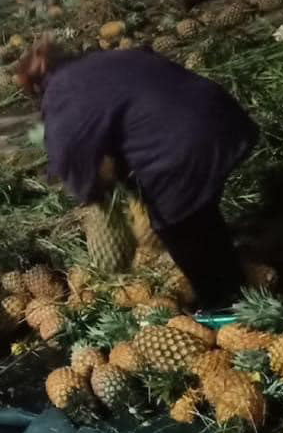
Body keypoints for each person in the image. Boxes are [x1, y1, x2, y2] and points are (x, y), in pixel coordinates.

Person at [16, 40, 259, 320]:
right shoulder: (103, 60)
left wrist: (95, 195)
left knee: (175, 224)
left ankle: (224, 304)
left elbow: (67, 152)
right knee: (199, 212)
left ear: (37, 83)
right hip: (220, 114)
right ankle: (233, 277)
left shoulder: (61, 90)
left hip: (180, 144)